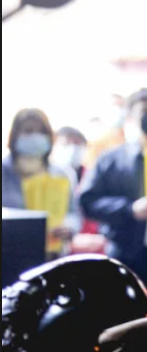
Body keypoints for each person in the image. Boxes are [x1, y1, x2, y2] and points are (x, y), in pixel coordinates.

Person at [79, 89, 147, 331]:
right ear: (130, 117)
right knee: (123, 325)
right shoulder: (111, 159)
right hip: (126, 256)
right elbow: (87, 201)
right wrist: (130, 209)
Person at [2, 109, 81, 256]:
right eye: (28, 131)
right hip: (9, 253)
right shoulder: (4, 172)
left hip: (51, 255)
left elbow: (73, 213)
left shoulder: (61, 174)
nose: (35, 137)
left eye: (41, 132)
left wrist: (69, 227)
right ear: (15, 135)